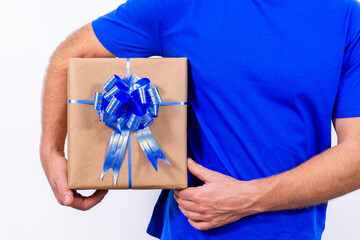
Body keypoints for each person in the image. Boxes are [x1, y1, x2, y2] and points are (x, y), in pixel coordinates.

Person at [40, 0, 360, 239]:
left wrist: (250, 198)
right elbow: (73, 55)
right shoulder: (177, 4)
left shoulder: (345, 15)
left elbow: (357, 154)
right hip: (191, 231)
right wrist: (51, 150)